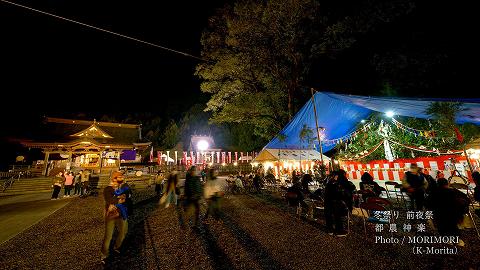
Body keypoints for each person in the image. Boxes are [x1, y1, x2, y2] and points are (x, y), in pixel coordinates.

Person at [425, 178, 470, 247]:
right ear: (447, 184)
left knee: (443, 226)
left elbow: (427, 204)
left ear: (438, 184)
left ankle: (447, 238)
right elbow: (466, 199)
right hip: (454, 215)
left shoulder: (434, 192)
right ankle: (456, 239)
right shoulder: (453, 191)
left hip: (440, 216)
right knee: (453, 226)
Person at [101, 175, 129, 264]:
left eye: (122, 178)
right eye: (119, 178)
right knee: (108, 235)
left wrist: (118, 199)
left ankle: (117, 247)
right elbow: (109, 200)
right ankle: (104, 255)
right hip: (111, 214)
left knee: (123, 231)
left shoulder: (123, 187)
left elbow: (125, 198)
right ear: (114, 179)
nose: (121, 179)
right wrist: (118, 199)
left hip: (121, 213)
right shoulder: (108, 189)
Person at [324, 170, 356, 237]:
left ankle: (330, 229)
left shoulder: (329, 183)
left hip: (329, 205)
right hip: (341, 207)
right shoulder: (343, 183)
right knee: (337, 209)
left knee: (332, 209)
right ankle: (339, 230)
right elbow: (351, 190)